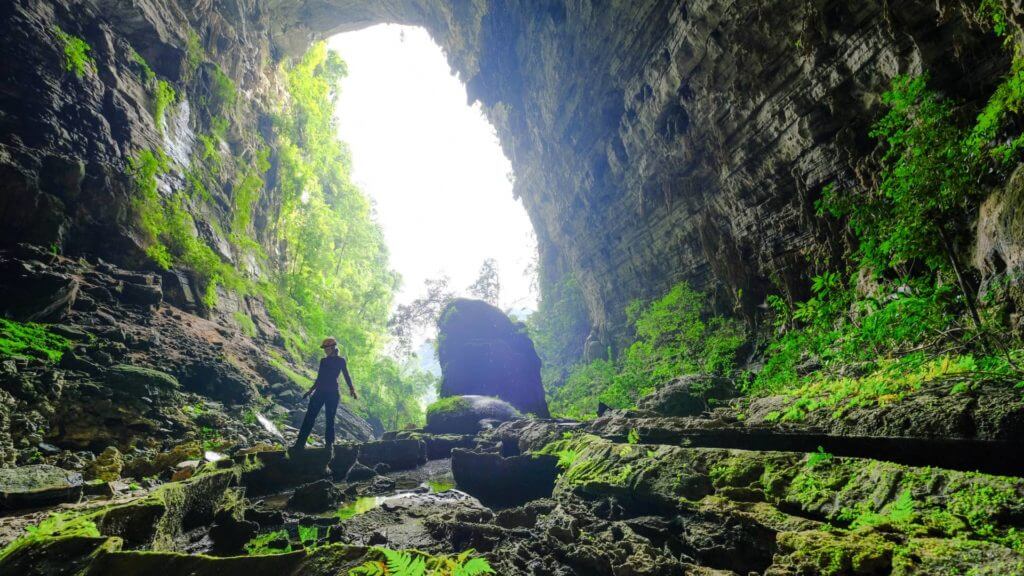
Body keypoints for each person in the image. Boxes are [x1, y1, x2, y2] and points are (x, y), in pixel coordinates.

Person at [289, 337, 357, 456]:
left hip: (333, 394)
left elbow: (346, 375)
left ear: (332, 347)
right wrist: (310, 390)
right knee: (309, 417)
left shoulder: (341, 361)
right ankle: (299, 445)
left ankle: (329, 446)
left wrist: (351, 388)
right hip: (319, 392)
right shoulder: (323, 361)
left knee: (329, 419)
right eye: (324, 348)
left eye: (326, 348)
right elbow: (319, 378)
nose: (324, 350)